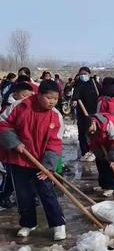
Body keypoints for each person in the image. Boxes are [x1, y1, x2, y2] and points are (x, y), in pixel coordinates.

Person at [0, 80, 66, 240]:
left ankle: (58, 224)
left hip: (41, 162)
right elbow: (3, 123)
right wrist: (14, 142)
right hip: (19, 158)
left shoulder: (55, 116)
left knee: (47, 192)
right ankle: (28, 224)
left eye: (55, 99)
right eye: (49, 98)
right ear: (39, 95)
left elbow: (55, 141)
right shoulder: (21, 106)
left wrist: (48, 166)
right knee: (23, 194)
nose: (52, 102)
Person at [80, 112, 114, 197]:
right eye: (88, 131)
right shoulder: (87, 131)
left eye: (91, 129)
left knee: (111, 165)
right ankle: (103, 185)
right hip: (102, 143)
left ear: (93, 122)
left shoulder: (107, 123)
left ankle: (111, 187)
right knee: (101, 163)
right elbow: (92, 144)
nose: (91, 132)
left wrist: (113, 159)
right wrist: (101, 156)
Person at [71, 66, 101, 161]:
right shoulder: (78, 83)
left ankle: (94, 152)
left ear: (89, 74)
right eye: (81, 74)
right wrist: (74, 100)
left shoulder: (94, 83)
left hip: (95, 112)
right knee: (82, 133)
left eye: (85, 74)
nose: (83, 76)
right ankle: (85, 152)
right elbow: (76, 95)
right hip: (83, 112)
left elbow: (101, 93)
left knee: (94, 133)